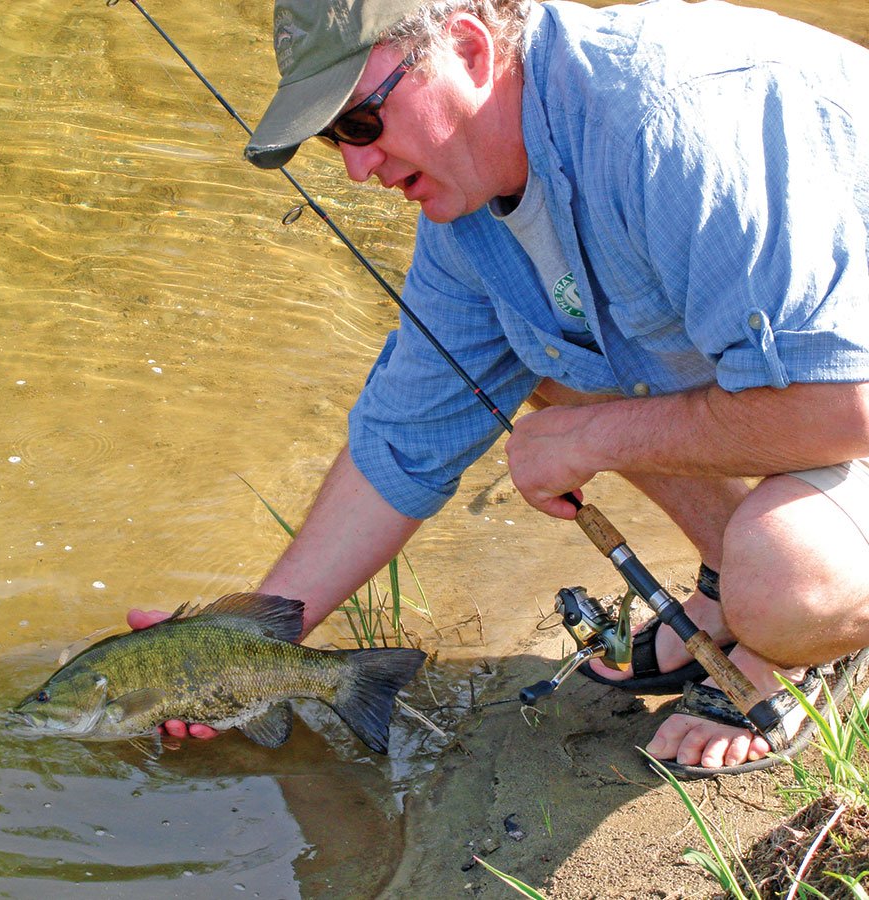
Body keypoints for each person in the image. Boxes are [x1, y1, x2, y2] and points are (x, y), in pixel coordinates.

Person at [130, 0, 869, 777]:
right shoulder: (469, 214)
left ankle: (808, 649)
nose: (354, 167)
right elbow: (407, 439)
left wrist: (588, 442)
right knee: (544, 359)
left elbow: (842, 406)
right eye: (331, 136)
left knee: (788, 582)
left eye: (360, 123)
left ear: (470, 50)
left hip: (848, 392)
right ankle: (726, 590)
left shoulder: (668, 129)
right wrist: (245, 644)